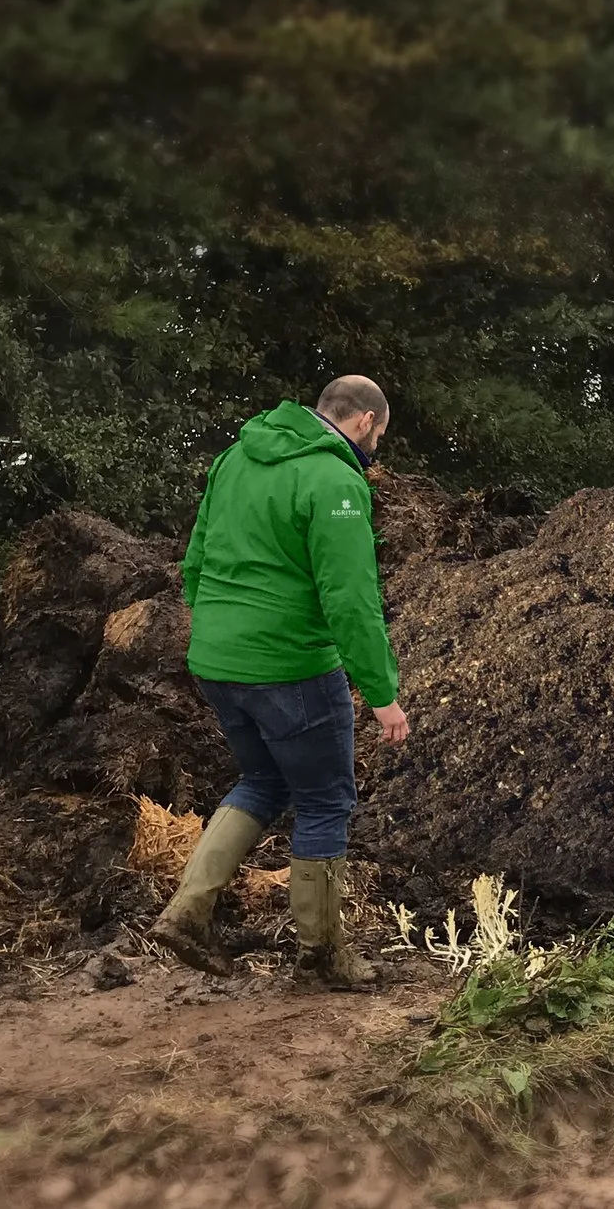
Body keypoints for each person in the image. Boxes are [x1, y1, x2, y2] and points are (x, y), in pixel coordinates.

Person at [146, 375, 411, 988]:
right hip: (290, 668)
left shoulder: (236, 456)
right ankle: (322, 958)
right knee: (323, 801)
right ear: (366, 421)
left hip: (215, 658)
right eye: (382, 435)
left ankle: (186, 914)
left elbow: (197, 556)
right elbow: (350, 600)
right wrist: (382, 696)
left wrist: (219, 629)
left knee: (262, 779)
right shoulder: (335, 479)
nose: (378, 448)